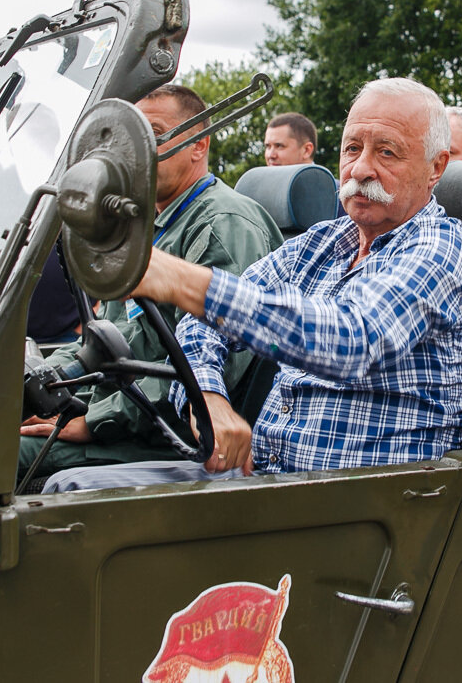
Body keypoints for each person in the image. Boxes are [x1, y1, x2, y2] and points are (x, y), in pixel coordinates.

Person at [43, 77, 462, 491]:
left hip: (361, 504)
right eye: (352, 148)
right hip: (266, 481)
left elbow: (353, 340)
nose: (361, 168)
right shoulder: (324, 241)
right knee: (68, 490)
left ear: (435, 167)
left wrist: (179, 279)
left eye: (387, 152)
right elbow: (201, 327)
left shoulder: (441, 245)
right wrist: (209, 397)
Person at [18, 84, 283, 480]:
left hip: (162, 433)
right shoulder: (144, 227)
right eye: (133, 137)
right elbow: (101, 338)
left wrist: (95, 420)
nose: (138, 151)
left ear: (199, 145)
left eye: (154, 136)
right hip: (121, 409)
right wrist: (38, 384)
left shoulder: (221, 224)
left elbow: (206, 369)